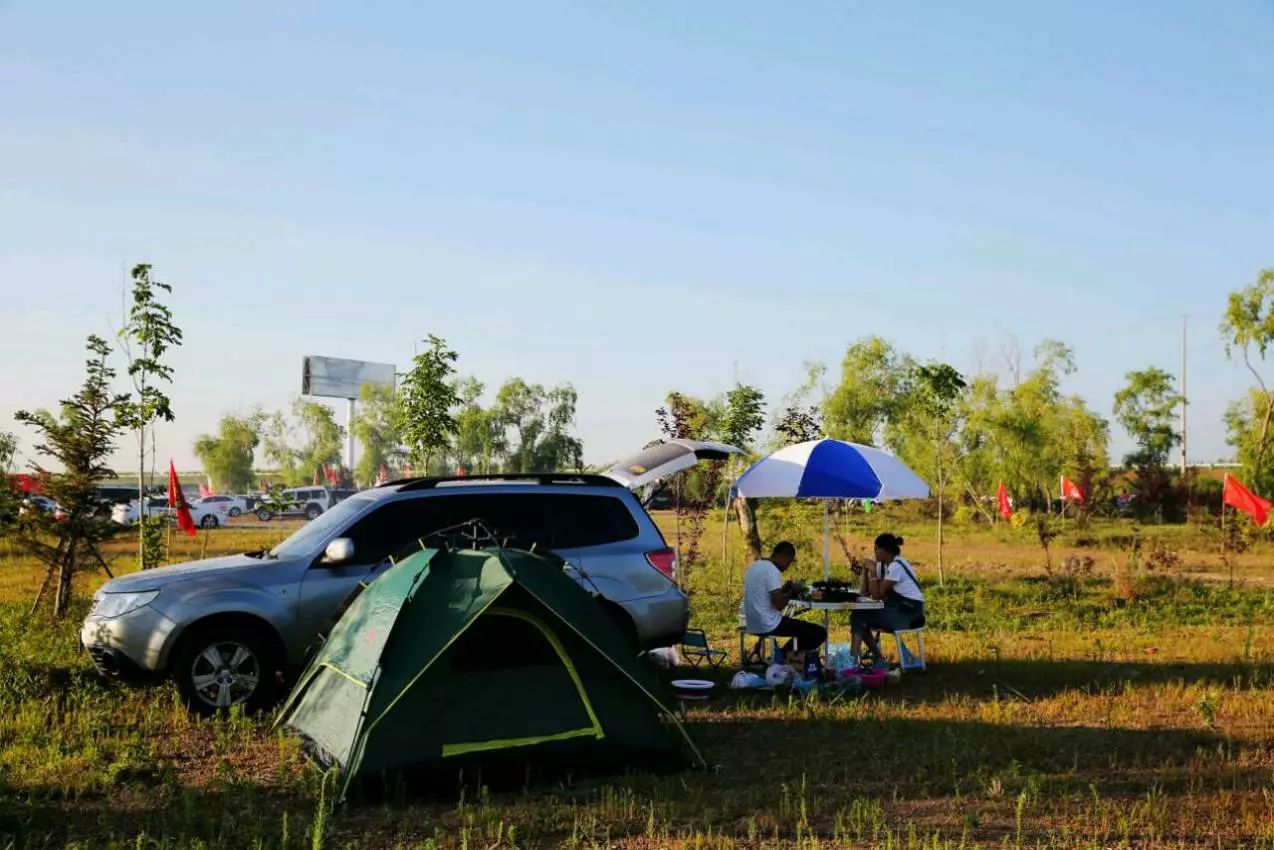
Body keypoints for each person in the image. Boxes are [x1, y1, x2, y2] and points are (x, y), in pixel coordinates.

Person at [850, 533, 924, 666]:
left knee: (859, 617)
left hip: (910, 613)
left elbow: (878, 595)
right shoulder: (884, 566)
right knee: (859, 617)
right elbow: (865, 593)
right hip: (898, 609)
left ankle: (854, 662)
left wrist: (873, 572)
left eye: (877, 549)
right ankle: (874, 659)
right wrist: (865, 573)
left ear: (887, 551)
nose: (875, 552)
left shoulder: (897, 566)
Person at [741, 541, 827, 654]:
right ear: (781, 556)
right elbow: (779, 605)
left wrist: (785, 588)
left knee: (800, 627)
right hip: (766, 623)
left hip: (749, 621)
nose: (788, 566)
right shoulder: (772, 570)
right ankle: (783, 656)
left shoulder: (755, 565)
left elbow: (767, 595)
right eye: (789, 561)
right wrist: (792, 591)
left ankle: (785, 656)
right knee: (819, 633)